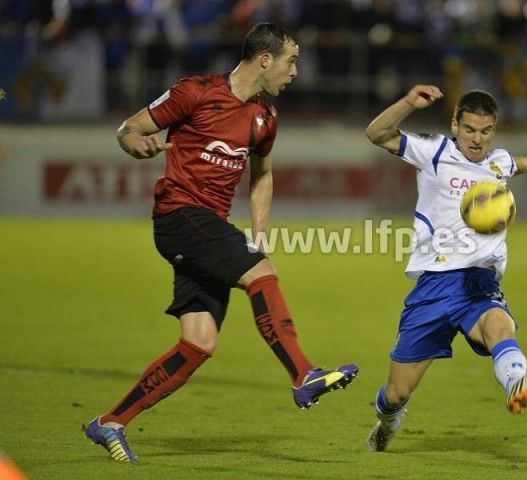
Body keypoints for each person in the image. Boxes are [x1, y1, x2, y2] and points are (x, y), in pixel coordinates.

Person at [83, 23, 358, 463]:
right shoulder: (194, 92)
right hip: (179, 217)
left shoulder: (265, 117)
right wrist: (136, 142)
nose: (295, 71)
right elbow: (128, 128)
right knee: (261, 276)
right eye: (291, 61)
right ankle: (303, 374)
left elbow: (262, 175)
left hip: (208, 228)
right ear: (264, 60)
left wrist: (260, 233)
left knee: (199, 343)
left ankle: (110, 422)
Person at [364, 85, 527, 452]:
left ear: (494, 130)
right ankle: (389, 418)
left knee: (500, 326)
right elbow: (376, 134)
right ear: (455, 125)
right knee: (397, 391)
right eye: (469, 130)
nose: (477, 139)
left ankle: (518, 384)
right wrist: (407, 103)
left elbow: (513, 162)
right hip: (434, 285)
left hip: (478, 282)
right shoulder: (435, 151)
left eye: (485, 132)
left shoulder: (497, 162)